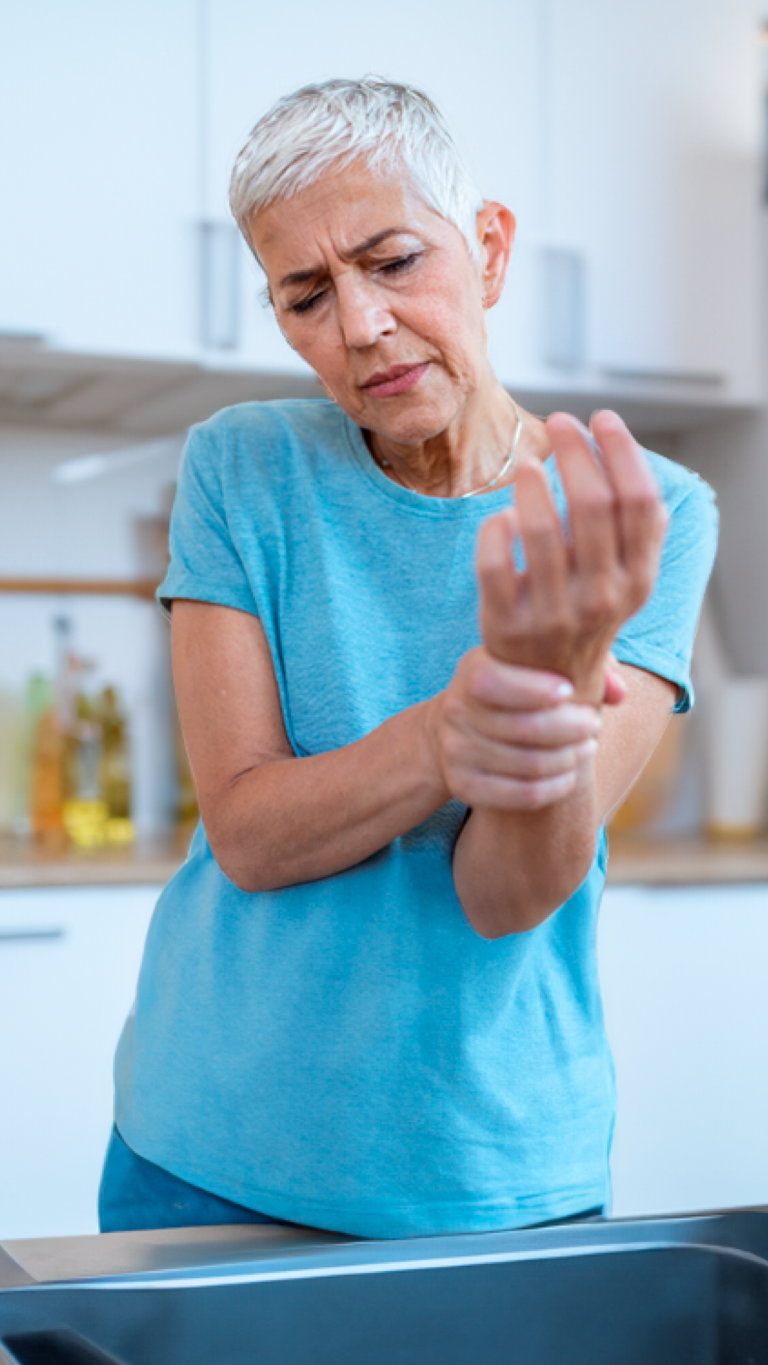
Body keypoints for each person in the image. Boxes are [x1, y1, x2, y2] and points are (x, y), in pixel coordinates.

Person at [99, 77, 717, 1238]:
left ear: (487, 249)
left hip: (490, 1168)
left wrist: (562, 667)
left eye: (391, 262)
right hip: (207, 1144)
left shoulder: (646, 516)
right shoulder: (243, 467)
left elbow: (508, 893)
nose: (360, 326)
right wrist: (450, 735)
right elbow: (248, 830)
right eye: (306, 294)